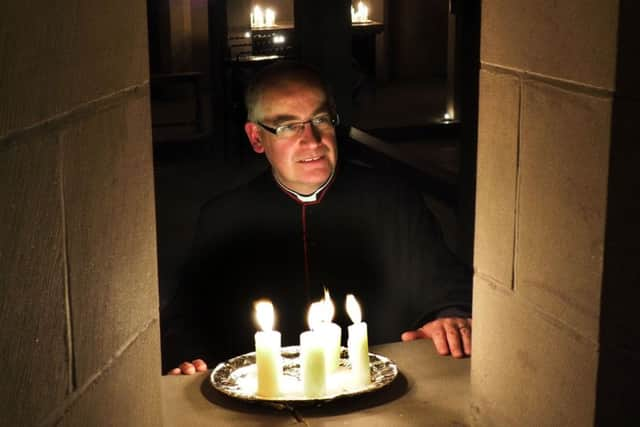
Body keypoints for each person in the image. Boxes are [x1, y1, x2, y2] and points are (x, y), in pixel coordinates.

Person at [163, 61, 472, 375]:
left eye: (321, 119)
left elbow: (445, 283)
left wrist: (450, 315)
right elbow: (186, 320)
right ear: (256, 137)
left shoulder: (392, 200)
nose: (311, 139)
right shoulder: (223, 217)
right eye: (287, 126)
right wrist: (187, 357)